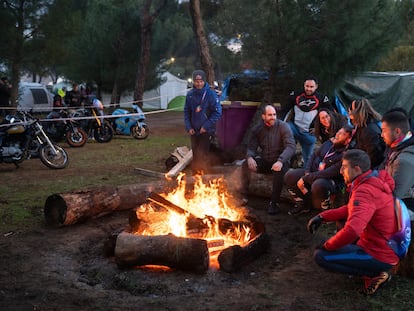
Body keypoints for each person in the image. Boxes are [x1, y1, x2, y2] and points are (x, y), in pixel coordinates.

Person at [307, 149, 399, 295]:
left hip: (379, 253)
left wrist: (327, 245)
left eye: (344, 167)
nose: (341, 171)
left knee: (322, 256)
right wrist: (323, 216)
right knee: (334, 245)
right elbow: (351, 209)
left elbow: (353, 230)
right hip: (386, 247)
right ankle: (371, 269)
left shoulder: (365, 190)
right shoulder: (374, 181)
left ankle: (373, 274)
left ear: (356, 169)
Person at [284, 124, 353, 215]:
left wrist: (305, 178)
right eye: (339, 132)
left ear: (347, 141)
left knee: (318, 184)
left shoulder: (344, 155)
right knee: (290, 175)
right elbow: (313, 155)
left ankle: (326, 211)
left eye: (342, 134)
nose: (338, 134)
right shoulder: (329, 143)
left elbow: (328, 173)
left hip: (329, 180)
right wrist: (307, 172)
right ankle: (303, 204)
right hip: (312, 173)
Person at [243, 104, 296, 214]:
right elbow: (251, 147)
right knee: (245, 164)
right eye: (270, 115)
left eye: (274, 114)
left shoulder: (283, 127)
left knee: (279, 171)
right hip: (266, 161)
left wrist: (281, 161)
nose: (273, 117)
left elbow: (291, 147)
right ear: (263, 116)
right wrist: (250, 157)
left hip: (282, 161)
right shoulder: (258, 129)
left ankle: (274, 203)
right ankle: (243, 195)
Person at [281, 77, 333, 167]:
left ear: (316, 87)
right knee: (287, 147)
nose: (308, 88)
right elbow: (284, 110)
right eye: (307, 86)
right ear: (304, 85)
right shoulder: (295, 95)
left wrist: (320, 130)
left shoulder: (322, 98)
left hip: (309, 133)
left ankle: (306, 177)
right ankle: (284, 168)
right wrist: (280, 124)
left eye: (311, 86)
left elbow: (330, 115)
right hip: (294, 128)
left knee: (308, 159)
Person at [184, 70, 222, 175]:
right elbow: (187, 112)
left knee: (202, 155)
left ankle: (203, 178)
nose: (199, 83)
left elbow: (217, 112)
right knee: (195, 155)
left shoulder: (210, 94)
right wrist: (188, 127)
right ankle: (195, 179)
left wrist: (206, 126)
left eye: (201, 81)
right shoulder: (190, 95)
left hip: (206, 130)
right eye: (196, 81)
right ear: (193, 81)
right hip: (194, 130)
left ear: (204, 81)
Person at [379, 109, 414, 216]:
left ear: (397, 131)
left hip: (404, 210)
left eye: (384, 130)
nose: (381, 135)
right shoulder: (395, 147)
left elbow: (395, 195)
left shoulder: (404, 160)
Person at [347, 98, 385, 169]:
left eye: (350, 112)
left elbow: (374, 155)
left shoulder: (368, 130)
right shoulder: (362, 126)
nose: (348, 115)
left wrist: (363, 168)